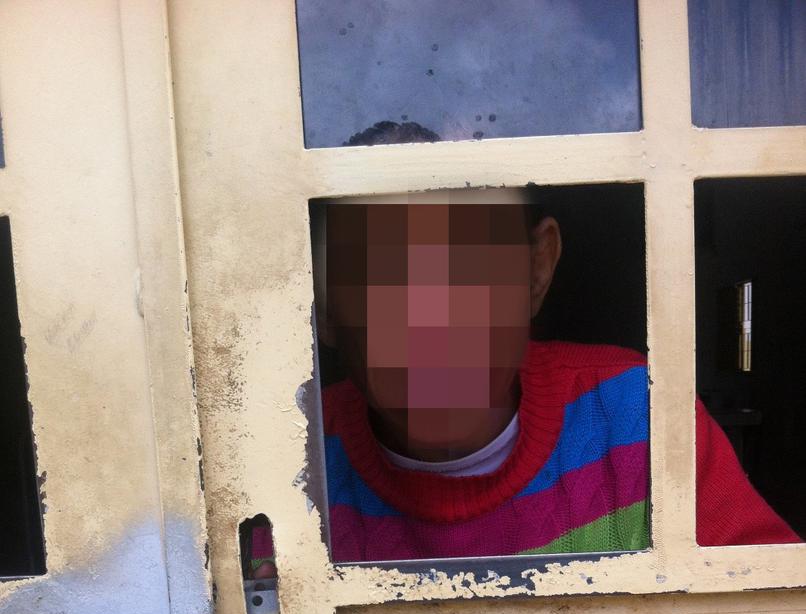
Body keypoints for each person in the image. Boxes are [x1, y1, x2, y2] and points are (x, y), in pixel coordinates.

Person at [251, 183, 798, 573]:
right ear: (322, 310)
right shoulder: (291, 469)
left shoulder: (635, 414)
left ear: (536, 270)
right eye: (381, 284)